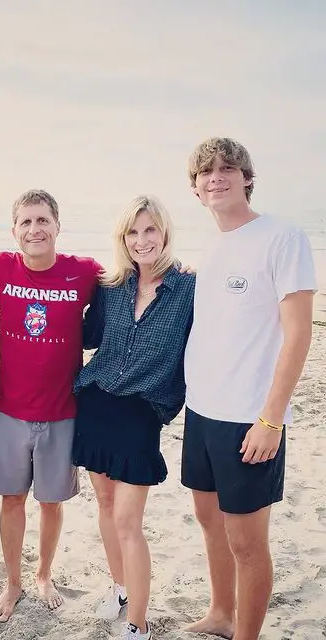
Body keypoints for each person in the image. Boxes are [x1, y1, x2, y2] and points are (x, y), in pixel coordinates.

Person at [182, 138, 315, 640]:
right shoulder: (211, 245)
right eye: (206, 173)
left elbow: (299, 331)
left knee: (246, 541)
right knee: (208, 520)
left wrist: (271, 418)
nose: (216, 177)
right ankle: (221, 613)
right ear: (195, 190)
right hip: (202, 411)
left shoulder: (283, 237)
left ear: (247, 177)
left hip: (249, 418)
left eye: (227, 169)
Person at [0, 189, 102, 622]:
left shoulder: (83, 272)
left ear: (58, 226)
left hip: (63, 411)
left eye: (42, 220)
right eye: (25, 222)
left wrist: (180, 267)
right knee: (11, 501)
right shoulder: (0, 267)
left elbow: (135, 275)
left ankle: (44, 574)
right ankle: (13, 582)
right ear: (14, 231)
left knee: (50, 502)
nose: (34, 229)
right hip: (9, 410)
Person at [73, 196, 195, 639]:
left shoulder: (189, 289)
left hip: (143, 412)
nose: (141, 240)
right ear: (122, 238)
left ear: (164, 233)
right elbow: (84, 335)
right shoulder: (110, 287)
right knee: (105, 507)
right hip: (96, 402)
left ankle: (138, 626)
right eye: (132, 232)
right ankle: (120, 587)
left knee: (128, 520)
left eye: (150, 231)